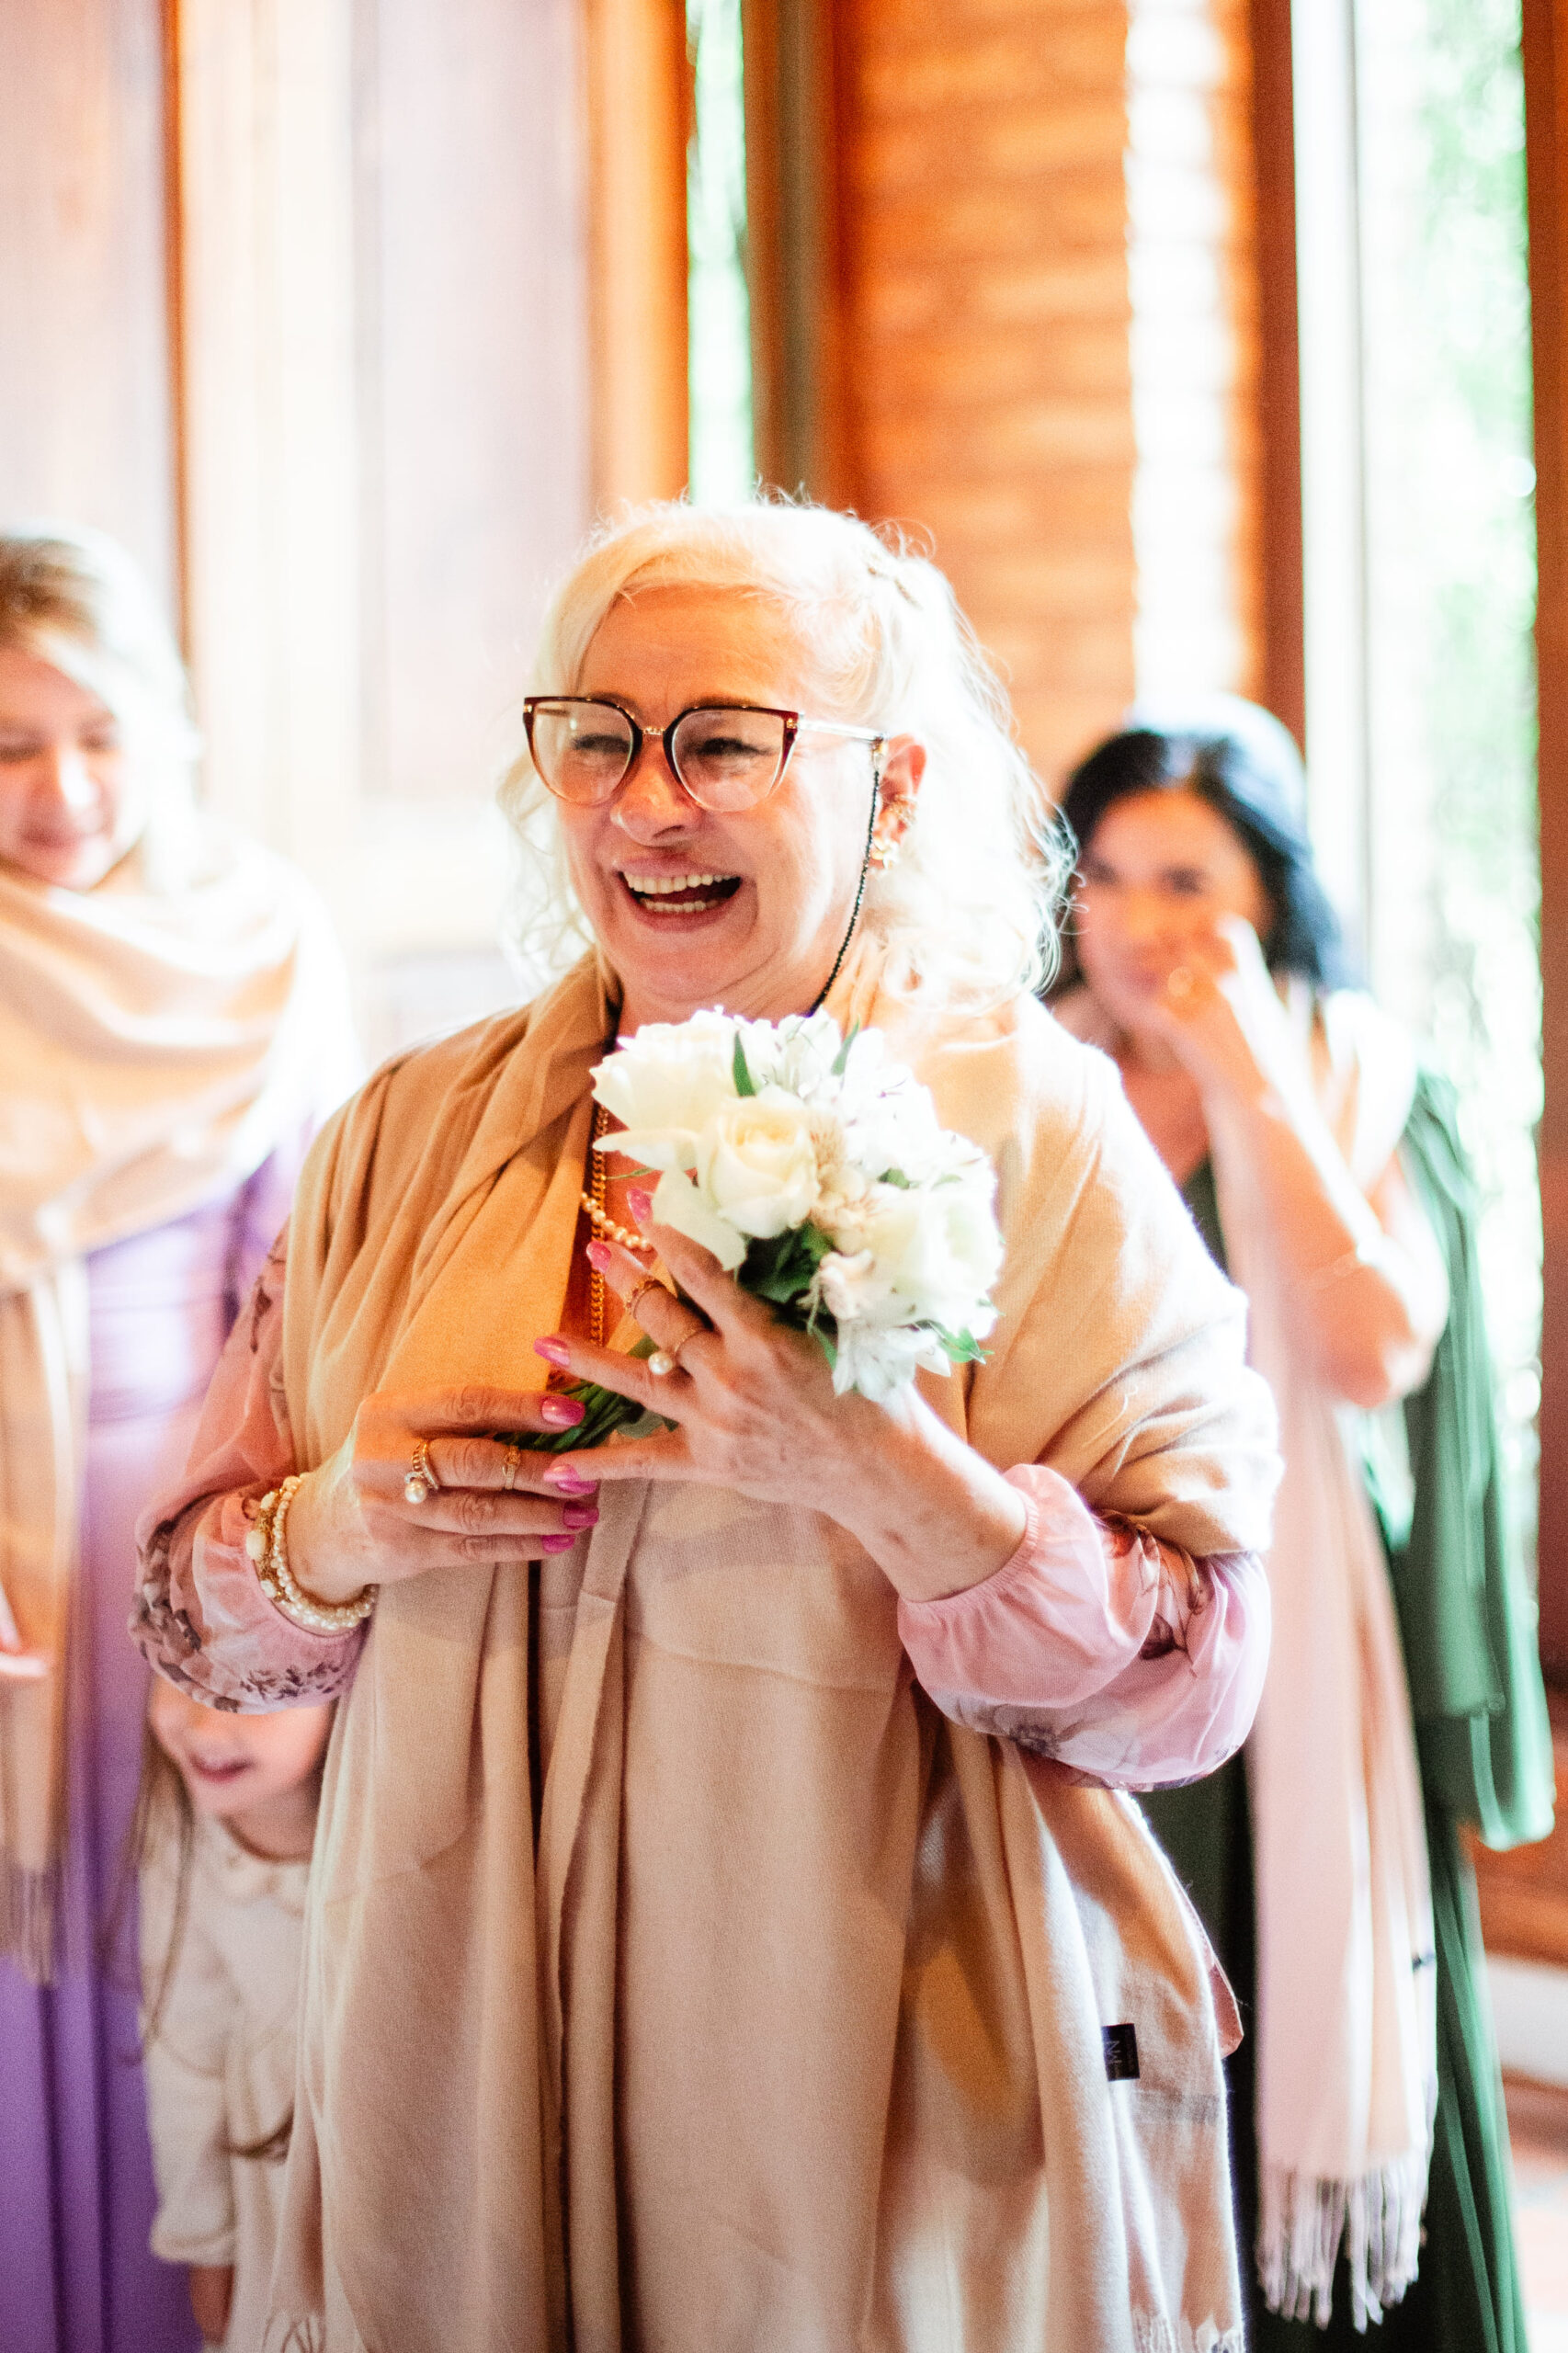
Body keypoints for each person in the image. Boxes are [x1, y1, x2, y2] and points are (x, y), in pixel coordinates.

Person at [133, 500, 1280, 2353]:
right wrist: (340, 1525)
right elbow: (193, 1619)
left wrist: (906, 1491)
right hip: (456, 2069)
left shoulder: (1036, 1133)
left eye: (724, 741)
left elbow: (1197, 1685)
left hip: (871, 2100)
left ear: (891, 788)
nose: (645, 805)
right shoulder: (403, 1135)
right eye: (596, 737)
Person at [1055, 699, 1555, 2352]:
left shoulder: (1355, 1076)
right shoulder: (1029, 1079)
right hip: (1071, 1660)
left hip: (1296, 1678)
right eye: (1105, 876)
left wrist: (1246, 1075)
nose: (1136, 923)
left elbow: (1370, 1349)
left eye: (1185, 882)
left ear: (1271, 897)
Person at [0, 523, 358, 2353]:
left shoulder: (260, 944)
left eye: (99, 735)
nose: (62, 791)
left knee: (182, 1996)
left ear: (169, 730)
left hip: (183, 1568)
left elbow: (301, 1300)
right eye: (8, 746)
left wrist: (260, 1600)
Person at [136, 1679, 335, 2353]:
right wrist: (207, 2243)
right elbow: (183, 2041)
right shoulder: (184, 1820)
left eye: (259, 1686)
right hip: (267, 2199)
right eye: (176, 1671)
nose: (205, 1725)